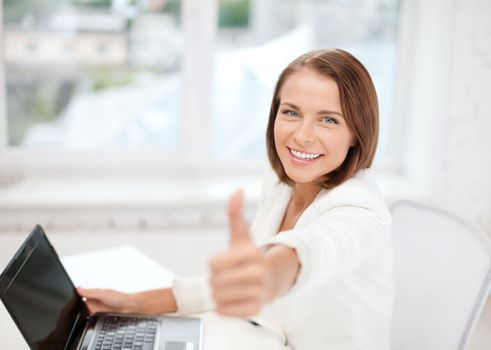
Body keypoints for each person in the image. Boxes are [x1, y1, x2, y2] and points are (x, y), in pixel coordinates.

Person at [78, 49, 393, 349]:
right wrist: (137, 303)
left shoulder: (361, 212)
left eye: (328, 120)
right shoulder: (282, 182)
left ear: (357, 132)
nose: (302, 135)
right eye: (291, 112)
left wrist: (269, 275)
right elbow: (239, 285)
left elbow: (318, 248)